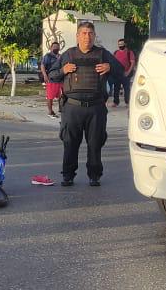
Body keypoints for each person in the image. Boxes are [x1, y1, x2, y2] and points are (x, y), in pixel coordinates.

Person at [46, 20, 123, 187]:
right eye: (84, 33)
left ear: (94, 36)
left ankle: (94, 176)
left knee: (95, 144)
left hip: (96, 108)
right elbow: (52, 75)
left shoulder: (103, 54)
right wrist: (63, 70)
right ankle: (68, 176)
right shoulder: (68, 55)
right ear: (77, 36)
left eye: (90, 33)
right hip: (72, 108)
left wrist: (110, 67)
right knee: (70, 143)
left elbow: (121, 72)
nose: (87, 37)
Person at [40, 40, 62, 119]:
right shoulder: (48, 56)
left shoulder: (60, 56)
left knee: (61, 96)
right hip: (51, 79)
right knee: (50, 96)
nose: (56, 48)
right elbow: (42, 65)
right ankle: (50, 112)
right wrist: (45, 75)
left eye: (57, 47)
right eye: (54, 47)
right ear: (51, 48)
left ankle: (61, 110)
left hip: (60, 79)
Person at [112, 38, 136, 107]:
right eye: (119, 44)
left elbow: (132, 63)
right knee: (116, 89)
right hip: (117, 74)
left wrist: (128, 72)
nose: (120, 45)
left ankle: (127, 103)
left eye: (122, 44)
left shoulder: (129, 52)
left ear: (125, 44)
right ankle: (116, 102)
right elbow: (113, 62)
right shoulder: (116, 52)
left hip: (126, 74)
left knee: (126, 89)